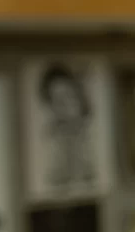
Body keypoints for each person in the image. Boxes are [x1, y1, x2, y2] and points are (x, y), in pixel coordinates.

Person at [37, 62, 96, 190]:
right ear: (51, 106)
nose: (65, 105)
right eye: (58, 100)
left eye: (68, 96)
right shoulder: (51, 141)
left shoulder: (92, 133)